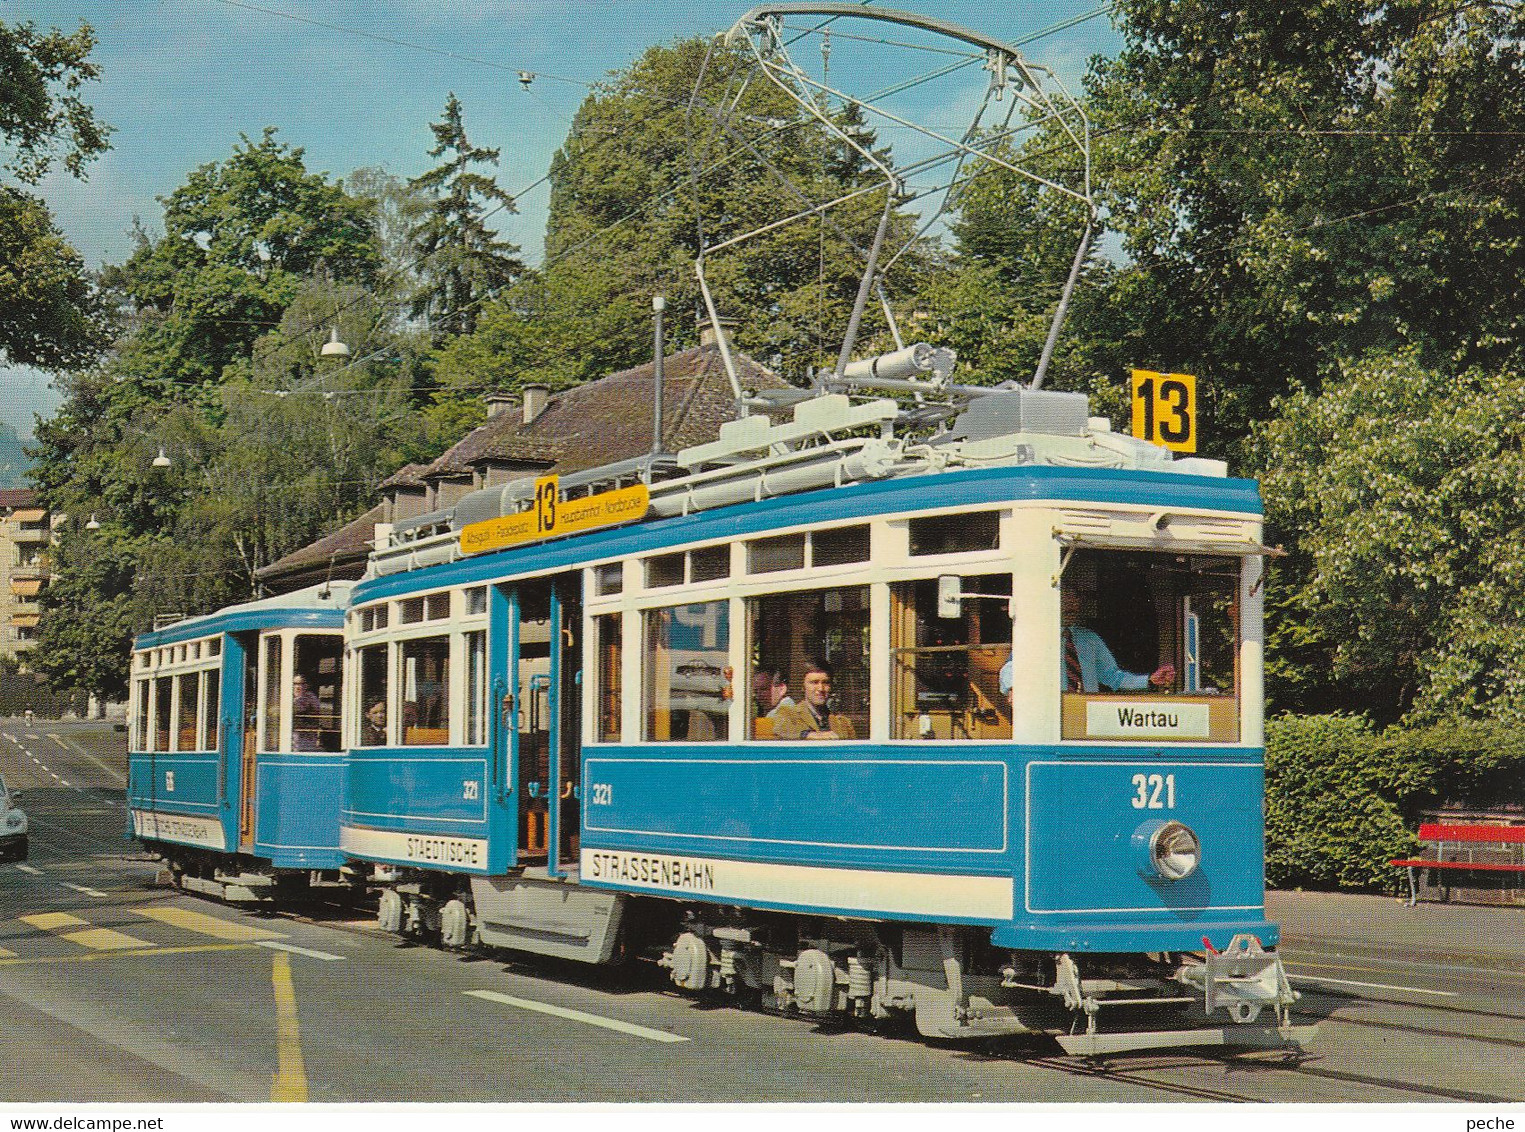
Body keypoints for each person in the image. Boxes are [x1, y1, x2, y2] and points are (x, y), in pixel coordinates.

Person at [1016, 587, 1173, 695]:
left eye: (1075, 597)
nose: (1072, 603)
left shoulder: (1089, 639)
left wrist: (1149, 680)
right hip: (1050, 719)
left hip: (1085, 714)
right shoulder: (1038, 636)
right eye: (1065, 596)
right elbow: (1011, 667)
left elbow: (1113, 677)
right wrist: (1012, 688)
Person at [770, 659, 856, 740]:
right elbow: (781, 729)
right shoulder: (788, 714)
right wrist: (808, 735)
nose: (821, 688)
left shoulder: (843, 722)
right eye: (814, 682)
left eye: (826, 682)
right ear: (803, 686)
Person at [291, 675, 322, 751]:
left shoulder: (310, 697)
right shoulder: (288, 696)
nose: (297, 687)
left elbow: (298, 709)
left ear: (306, 686)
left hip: (306, 737)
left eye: (301, 684)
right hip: (290, 735)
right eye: (295, 684)